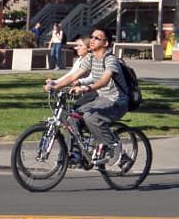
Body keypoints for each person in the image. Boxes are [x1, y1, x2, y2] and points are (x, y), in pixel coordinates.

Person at [47, 27, 126, 164]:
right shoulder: (90, 57)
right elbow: (74, 75)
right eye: (92, 37)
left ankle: (114, 146)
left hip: (116, 102)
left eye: (97, 38)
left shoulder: (110, 60)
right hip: (102, 99)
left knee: (90, 117)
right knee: (72, 116)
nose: (92, 40)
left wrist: (86, 88)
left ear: (105, 43)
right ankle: (77, 154)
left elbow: (104, 80)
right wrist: (55, 86)